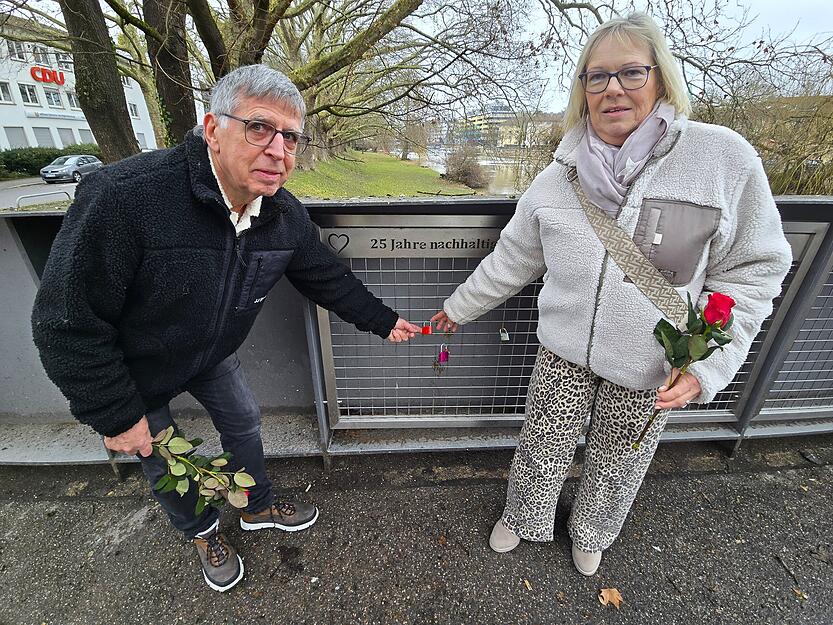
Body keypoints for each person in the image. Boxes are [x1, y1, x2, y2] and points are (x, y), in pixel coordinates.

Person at [32, 64, 419, 592]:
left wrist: (385, 321)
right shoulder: (124, 198)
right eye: (259, 128)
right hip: (136, 370)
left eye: (290, 138)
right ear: (213, 129)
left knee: (243, 421)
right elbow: (64, 321)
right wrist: (115, 411)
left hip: (211, 352)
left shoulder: (281, 216)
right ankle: (202, 530)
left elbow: (323, 275)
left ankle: (255, 505)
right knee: (162, 456)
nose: (278, 151)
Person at [432, 13, 791, 576]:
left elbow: (753, 269)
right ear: (582, 91)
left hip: (653, 358)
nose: (613, 89)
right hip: (564, 349)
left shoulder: (721, 160)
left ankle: (594, 530)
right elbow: (514, 259)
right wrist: (456, 310)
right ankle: (526, 517)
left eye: (630, 72)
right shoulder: (558, 176)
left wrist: (712, 364)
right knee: (542, 445)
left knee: (621, 457)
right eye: (596, 77)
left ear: (662, 80)